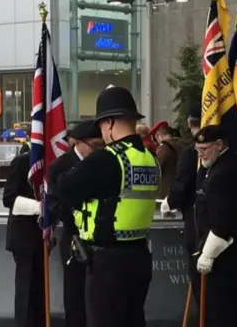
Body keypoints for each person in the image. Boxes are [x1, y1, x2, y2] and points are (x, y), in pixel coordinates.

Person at [55, 86, 159, 327]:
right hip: (139, 256)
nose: (102, 133)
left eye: (101, 125)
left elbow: (64, 187)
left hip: (107, 263)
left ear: (110, 122)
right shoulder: (149, 158)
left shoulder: (108, 158)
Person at [192, 124, 237, 326]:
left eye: (204, 149)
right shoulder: (225, 162)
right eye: (198, 150)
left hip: (226, 255)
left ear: (219, 144)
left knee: (223, 314)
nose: (201, 155)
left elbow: (223, 221)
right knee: (230, 312)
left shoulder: (224, 172)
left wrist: (208, 254)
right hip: (233, 253)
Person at [48, 120, 104, 327]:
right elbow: (54, 204)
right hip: (75, 239)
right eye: (96, 145)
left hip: (101, 239)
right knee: (75, 295)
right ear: (78, 143)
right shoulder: (60, 167)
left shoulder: (103, 163)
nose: (100, 150)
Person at [161, 102, 205, 303]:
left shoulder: (191, 151)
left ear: (190, 123)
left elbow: (182, 184)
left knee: (202, 287)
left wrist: (169, 203)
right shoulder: (225, 147)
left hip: (197, 224)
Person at [2, 142, 46, 327]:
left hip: (41, 235)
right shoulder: (22, 162)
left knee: (39, 289)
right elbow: (8, 198)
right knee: (25, 289)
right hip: (24, 236)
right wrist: (40, 208)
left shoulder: (51, 162)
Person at [153, 122, 188, 198]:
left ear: (160, 135)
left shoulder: (163, 148)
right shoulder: (184, 145)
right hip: (182, 191)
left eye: (156, 138)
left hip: (166, 193)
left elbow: (156, 169)